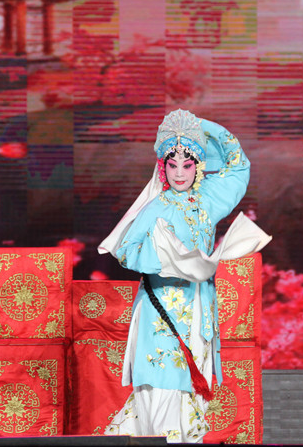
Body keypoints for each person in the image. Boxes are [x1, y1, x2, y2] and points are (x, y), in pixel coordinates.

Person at [98, 109, 271, 443]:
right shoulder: (155, 207)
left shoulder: (208, 200)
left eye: (187, 164)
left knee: (192, 394)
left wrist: (197, 127)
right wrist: (166, 257)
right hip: (161, 312)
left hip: (199, 309)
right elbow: (126, 249)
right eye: (172, 164)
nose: (179, 173)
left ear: (198, 166)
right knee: (164, 386)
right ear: (162, 167)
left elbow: (239, 165)